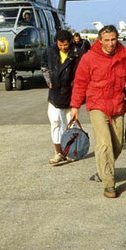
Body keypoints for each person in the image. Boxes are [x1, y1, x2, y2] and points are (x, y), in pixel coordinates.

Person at [70, 25, 126, 198]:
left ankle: (102, 171)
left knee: (117, 145)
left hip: (117, 104)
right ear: (100, 41)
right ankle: (109, 184)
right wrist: (75, 106)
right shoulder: (89, 58)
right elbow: (80, 83)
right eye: (107, 40)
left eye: (113, 39)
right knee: (104, 144)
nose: (111, 43)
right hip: (97, 104)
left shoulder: (125, 56)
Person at [43, 30, 80, 166]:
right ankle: (58, 152)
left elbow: (81, 73)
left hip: (71, 94)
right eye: (60, 45)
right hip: (55, 94)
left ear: (70, 42)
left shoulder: (77, 53)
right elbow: (43, 65)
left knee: (71, 124)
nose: (63, 47)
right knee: (55, 122)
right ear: (56, 43)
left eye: (65, 45)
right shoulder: (49, 51)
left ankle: (70, 152)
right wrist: (48, 80)